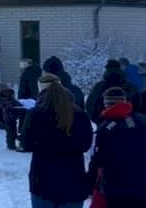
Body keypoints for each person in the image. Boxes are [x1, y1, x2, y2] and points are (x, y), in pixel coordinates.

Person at [19, 73, 93, 208]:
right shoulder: (79, 114)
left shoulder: (35, 114)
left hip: (43, 180)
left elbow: (26, 143)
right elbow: (86, 144)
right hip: (73, 180)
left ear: (40, 90)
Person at [87, 87, 146, 208]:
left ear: (106, 104)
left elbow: (97, 160)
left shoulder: (104, 128)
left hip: (116, 186)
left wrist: (91, 183)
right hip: (143, 184)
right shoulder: (145, 121)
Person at [85, 60, 139, 125]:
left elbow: (90, 104)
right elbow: (138, 105)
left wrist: (98, 119)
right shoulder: (131, 86)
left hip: (105, 122)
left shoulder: (99, 86)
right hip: (128, 122)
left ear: (107, 69)